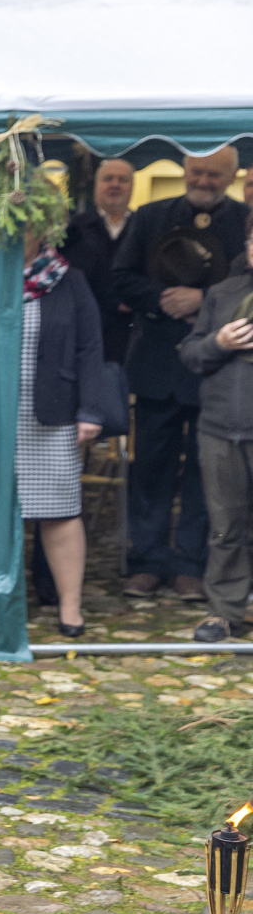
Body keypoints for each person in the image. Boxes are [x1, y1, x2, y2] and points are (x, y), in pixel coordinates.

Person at [0, 218, 106, 637]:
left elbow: (90, 348)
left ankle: (70, 608)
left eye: (22, 227)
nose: (10, 235)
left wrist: (91, 410)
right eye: (3, 227)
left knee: (59, 513)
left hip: (49, 415)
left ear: (42, 231)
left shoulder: (70, 281)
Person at [109, 145, 248, 602]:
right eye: (197, 172)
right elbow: (121, 277)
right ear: (185, 169)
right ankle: (148, 562)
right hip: (157, 366)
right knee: (151, 468)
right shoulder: (150, 216)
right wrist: (164, 299)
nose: (203, 181)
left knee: (204, 477)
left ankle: (191, 564)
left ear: (231, 177)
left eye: (214, 175)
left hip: (216, 373)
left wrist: (202, 300)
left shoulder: (243, 221)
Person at [179, 238, 253, 642]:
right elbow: (191, 355)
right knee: (226, 527)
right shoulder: (222, 293)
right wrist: (218, 343)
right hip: (220, 428)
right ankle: (224, 612)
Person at [62, 157, 135, 363]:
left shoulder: (144, 227)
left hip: (130, 340)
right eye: (108, 179)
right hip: (83, 335)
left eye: (122, 179)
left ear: (132, 186)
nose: (115, 184)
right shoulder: (73, 229)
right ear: (96, 185)